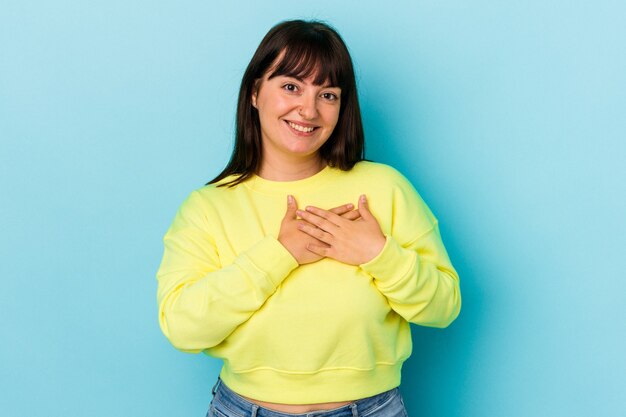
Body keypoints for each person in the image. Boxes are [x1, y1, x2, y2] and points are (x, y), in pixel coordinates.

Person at [156, 19, 461, 417]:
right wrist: (280, 253)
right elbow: (182, 327)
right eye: (290, 87)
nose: (308, 109)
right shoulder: (208, 207)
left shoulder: (384, 188)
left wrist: (376, 252)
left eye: (328, 94)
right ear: (253, 92)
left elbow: (444, 307)